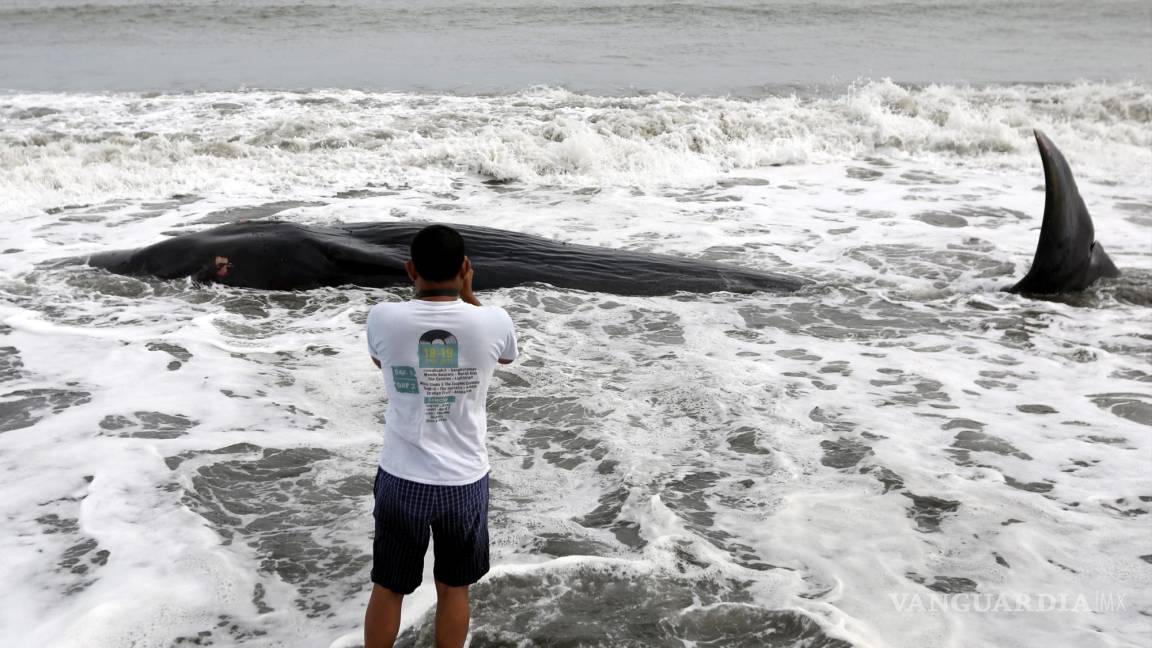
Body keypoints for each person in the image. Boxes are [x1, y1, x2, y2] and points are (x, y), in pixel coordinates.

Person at [363, 224, 518, 648]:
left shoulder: (382, 317)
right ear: (466, 267)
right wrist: (470, 298)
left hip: (401, 477)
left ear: (410, 269)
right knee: (454, 588)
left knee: (389, 587)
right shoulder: (494, 321)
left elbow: (382, 362)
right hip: (464, 481)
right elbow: (504, 356)